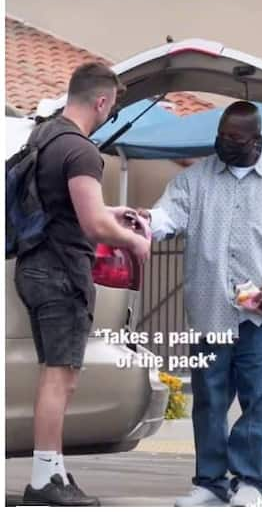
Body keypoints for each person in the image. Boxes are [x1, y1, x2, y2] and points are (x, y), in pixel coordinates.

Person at [136, 101, 262, 506]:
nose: (224, 143)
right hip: (210, 311)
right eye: (220, 136)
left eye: (234, 139)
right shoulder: (195, 180)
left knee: (261, 401)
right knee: (209, 401)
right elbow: (168, 217)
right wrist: (143, 223)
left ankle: (250, 482)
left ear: (255, 140)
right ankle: (209, 484)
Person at [16, 62, 151, 506]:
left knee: (55, 374)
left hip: (33, 266)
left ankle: (51, 470)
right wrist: (134, 241)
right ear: (101, 101)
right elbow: (93, 225)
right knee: (60, 377)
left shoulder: (44, 137)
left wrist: (111, 212)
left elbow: (66, 206)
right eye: (111, 106)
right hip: (59, 273)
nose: (110, 113)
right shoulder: (82, 151)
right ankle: (43, 481)